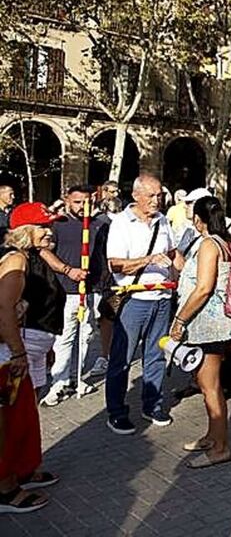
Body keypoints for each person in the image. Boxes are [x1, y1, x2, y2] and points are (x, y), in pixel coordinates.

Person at [0, 203, 63, 513]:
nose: (49, 231)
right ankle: (6, 490)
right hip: (6, 357)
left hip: (13, 351)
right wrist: (18, 352)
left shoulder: (24, 259)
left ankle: (18, 474)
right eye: (43, 226)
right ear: (27, 232)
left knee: (20, 417)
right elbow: (4, 309)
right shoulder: (15, 261)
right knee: (10, 421)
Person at [104, 174, 178, 435]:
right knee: (122, 359)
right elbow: (115, 263)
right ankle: (116, 411)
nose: (156, 200)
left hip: (162, 299)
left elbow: (171, 254)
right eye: (151, 195)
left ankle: (153, 405)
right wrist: (148, 260)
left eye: (159, 195)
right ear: (136, 195)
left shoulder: (163, 220)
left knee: (156, 356)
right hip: (133, 300)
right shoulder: (122, 223)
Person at [169, 196, 231, 468]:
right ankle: (213, 435)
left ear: (199, 220)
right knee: (208, 384)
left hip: (208, 325)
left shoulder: (211, 244)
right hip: (211, 324)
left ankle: (221, 447)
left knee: (210, 387)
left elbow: (203, 289)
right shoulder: (225, 241)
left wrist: (180, 320)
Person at [39, 185, 105, 406]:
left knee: (86, 335)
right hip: (66, 290)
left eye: (86, 201)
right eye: (77, 202)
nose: (82, 206)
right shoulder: (58, 224)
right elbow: (44, 250)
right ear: (67, 200)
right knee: (64, 337)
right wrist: (67, 269)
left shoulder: (101, 224)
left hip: (92, 289)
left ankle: (78, 377)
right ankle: (59, 382)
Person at [91, 196, 123, 376]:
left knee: (108, 317)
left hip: (112, 279)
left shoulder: (103, 223)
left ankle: (106, 355)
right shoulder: (102, 223)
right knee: (109, 316)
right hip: (111, 279)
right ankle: (106, 355)